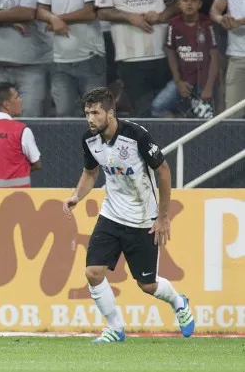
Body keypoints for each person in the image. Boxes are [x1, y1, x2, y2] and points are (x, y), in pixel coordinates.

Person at [62, 87, 195, 343]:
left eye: (96, 113)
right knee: (93, 272)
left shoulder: (136, 135)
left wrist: (163, 217)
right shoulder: (89, 140)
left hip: (143, 220)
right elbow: (90, 173)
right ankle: (115, 328)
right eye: (87, 113)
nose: (90, 119)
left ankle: (179, 303)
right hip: (111, 215)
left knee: (148, 286)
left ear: (110, 113)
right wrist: (77, 196)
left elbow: (164, 171)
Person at [152, 0, 219, 119]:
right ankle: (179, 129)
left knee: (206, 118)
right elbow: (171, 54)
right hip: (182, 80)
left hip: (204, 81)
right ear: (179, 4)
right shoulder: (173, 24)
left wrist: (209, 87)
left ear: (199, 4)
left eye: (193, 1)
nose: (189, 4)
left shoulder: (207, 24)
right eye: (185, 0)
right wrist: (178, 82)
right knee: (158, 107)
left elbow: (215, 57)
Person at [0, 82, 41, 188]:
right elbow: (37, 164)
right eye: (16, 97)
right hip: (16, 198)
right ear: (6, 104)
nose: (20, 100)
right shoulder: (21, 131)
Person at [210, 0, 245, 119]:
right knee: (232, 115)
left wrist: (240, 22)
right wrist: (221, 19)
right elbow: (215, 10)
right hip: (237, 57)